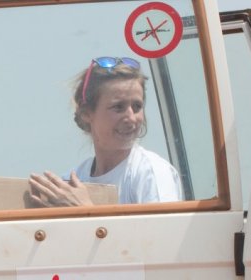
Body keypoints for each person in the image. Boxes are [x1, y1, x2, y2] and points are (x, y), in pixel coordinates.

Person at [27, 57, 183, 207]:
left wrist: (85, 210)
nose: (131, 117)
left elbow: (164, 234)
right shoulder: (73, 180)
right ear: (87, 113)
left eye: (137, 107)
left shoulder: (152, 172)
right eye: (118, 107)